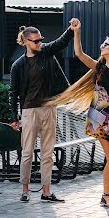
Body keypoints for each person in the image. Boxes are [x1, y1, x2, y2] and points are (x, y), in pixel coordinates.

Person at [46, 19, 109, 208]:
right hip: (98, 118)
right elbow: (79, 53)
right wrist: (77, 31)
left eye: (105, 44)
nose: (102, 46)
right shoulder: (99, 68)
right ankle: (106, 196)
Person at [9, 21, 78, 203]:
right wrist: (14, 118)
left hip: (49, 107)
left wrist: (71, 29)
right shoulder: (18, 65)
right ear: (25, 42)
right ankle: (25, 190)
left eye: (41, 40)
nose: (40, 43)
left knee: (48, 153)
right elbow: (13, 93)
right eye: (36, 41)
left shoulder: (46, 53)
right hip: (29, 111)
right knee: (27, 153)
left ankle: (46, 192)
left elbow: (61, 42)